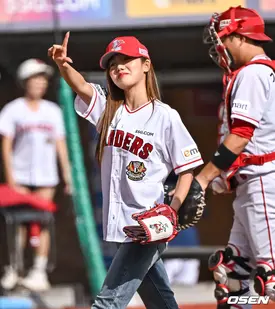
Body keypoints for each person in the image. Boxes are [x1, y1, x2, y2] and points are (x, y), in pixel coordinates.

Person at [48, 33, 204, 308]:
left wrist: (173, 211)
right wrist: (63, 65)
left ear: (145, 64)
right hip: (121, 226)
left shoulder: (165, 116)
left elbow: (187, 169)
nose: (118, 67)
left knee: (107, 303)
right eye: (112, 64)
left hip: (146, 225)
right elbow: (82, 86)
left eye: (126, 60)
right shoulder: (110, 110)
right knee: (161, 302)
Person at [183, 5, 275, 309]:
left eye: (223, 39)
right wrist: (225, 174)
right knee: (233, 271)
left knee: (270, 278)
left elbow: (240, 137)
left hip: (263, 182)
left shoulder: (253, 73)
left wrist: (204, 178)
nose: (220, 47)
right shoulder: (257, 72)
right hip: (254, 182)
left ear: (240, 36)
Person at [0, 59, 71, 292]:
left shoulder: (53, 111)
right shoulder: (13, 109)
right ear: (25, 82)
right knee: (18, 224)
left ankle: (39, 270)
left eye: (43, 79)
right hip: (20, 175)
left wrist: (67, 176)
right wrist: (11, 179)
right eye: (36, 78)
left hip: (46, 177)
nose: (40, 83)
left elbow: (61, 145)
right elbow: (6, 146)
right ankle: (14, 268)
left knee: (42, 221)